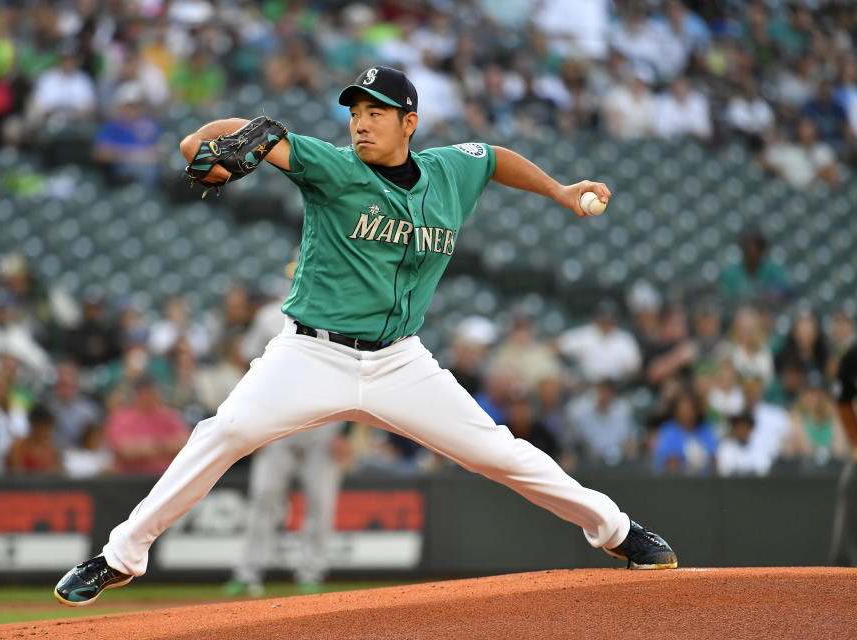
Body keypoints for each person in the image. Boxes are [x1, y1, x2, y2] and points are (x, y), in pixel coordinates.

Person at [55, 65, 677, 607]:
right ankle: (118, 557)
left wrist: (561, 191)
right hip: (309, 352)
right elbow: (255, 133)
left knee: (499, 452)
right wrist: (202, 142)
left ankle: (620, 533)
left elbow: (492, 157)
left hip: (402, 362)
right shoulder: (331, 167)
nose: (360, 122)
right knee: (224, 432)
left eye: (376, 112)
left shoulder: (447, 171)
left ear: (410, 122)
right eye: (355, 111)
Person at [224, 268, 351, 596]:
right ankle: (248, 573)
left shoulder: (342, 308)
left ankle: (312, 573)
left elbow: (357, 371)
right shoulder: (269, 315)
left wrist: (347, 433)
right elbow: (245, 359)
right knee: (264, 496)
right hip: (278, 421)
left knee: (320, 501)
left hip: (325, 420)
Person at [830, 342, 857, 566]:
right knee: (850, 484)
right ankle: (843, 571)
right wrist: (856, 441)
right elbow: (843, 402)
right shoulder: (852, 357)